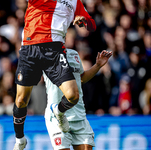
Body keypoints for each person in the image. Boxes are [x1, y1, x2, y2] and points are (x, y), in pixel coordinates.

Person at [13, 0, 96, 150]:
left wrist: (84, 21)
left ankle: (58, 111)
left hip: (55, 49)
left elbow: (92, 25)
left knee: (73, 95)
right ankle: (20, 139)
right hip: (30, 48)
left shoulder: (75, 2)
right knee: (21, 100)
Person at [43, 49, 112, 150]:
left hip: (78, 115)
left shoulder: (73, 54)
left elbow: (81, 78)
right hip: (57, 116)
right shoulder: (44, 55)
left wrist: (97, 65)